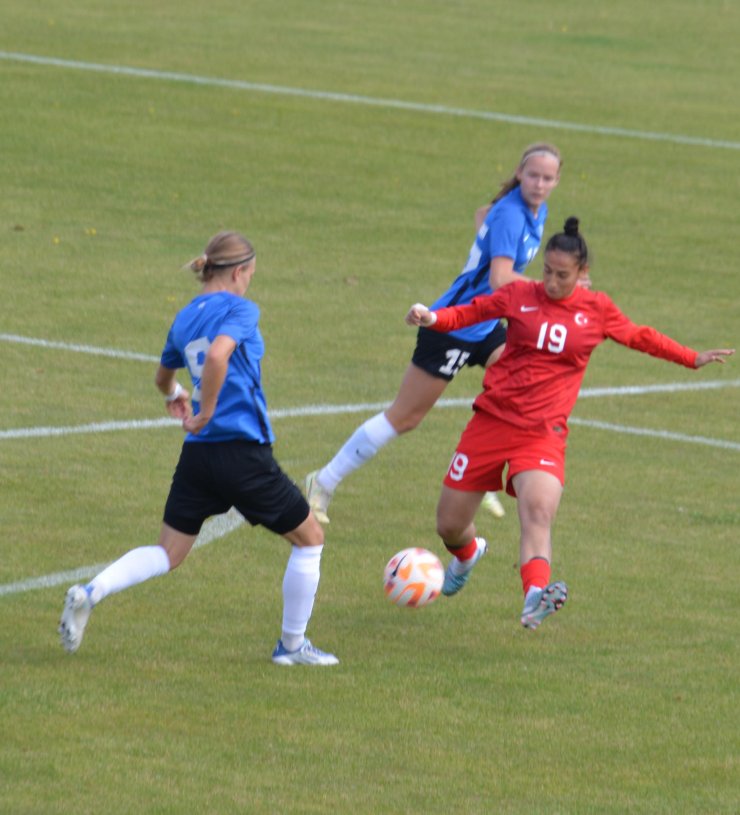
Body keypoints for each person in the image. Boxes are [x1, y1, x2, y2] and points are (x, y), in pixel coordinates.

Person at [405, 217, 734, 629]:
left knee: (538, 512)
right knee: (449, 524)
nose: (552, 282)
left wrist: (691, 357)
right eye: (547, 271)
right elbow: (472, 313)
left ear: (583, 275)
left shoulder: (597, 310)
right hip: (491, 422)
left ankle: (534, 597)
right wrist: (431, 318)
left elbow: (640, 336)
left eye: (563, 275)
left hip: (542, 433)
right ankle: (467, 553)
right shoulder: (518, 295)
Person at [58, 231, 338, 665]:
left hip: (199, 456)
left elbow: (162, 377)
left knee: (168, 552)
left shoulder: (185, 317)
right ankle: (291, 646)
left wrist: (175, 393)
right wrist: (206, 410)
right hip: (242, 453)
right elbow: (218, 357)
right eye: (250, 274)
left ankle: (91, 591)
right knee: (310, 539)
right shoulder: (241, 309)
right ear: (240, 272)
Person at [306, 142, 564, 524]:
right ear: (520, 174)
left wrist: (486, 238)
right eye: (533, 176)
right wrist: (553, 295)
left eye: (547, 178)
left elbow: (482, 215)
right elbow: (500, 277)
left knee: (520, 388)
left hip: (487, 323)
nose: (539, 184)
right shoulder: (512, 215)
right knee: (405, 417)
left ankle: (481, 476)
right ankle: (322, 482)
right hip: (453, 325)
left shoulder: (531, 211)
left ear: (556, 181)